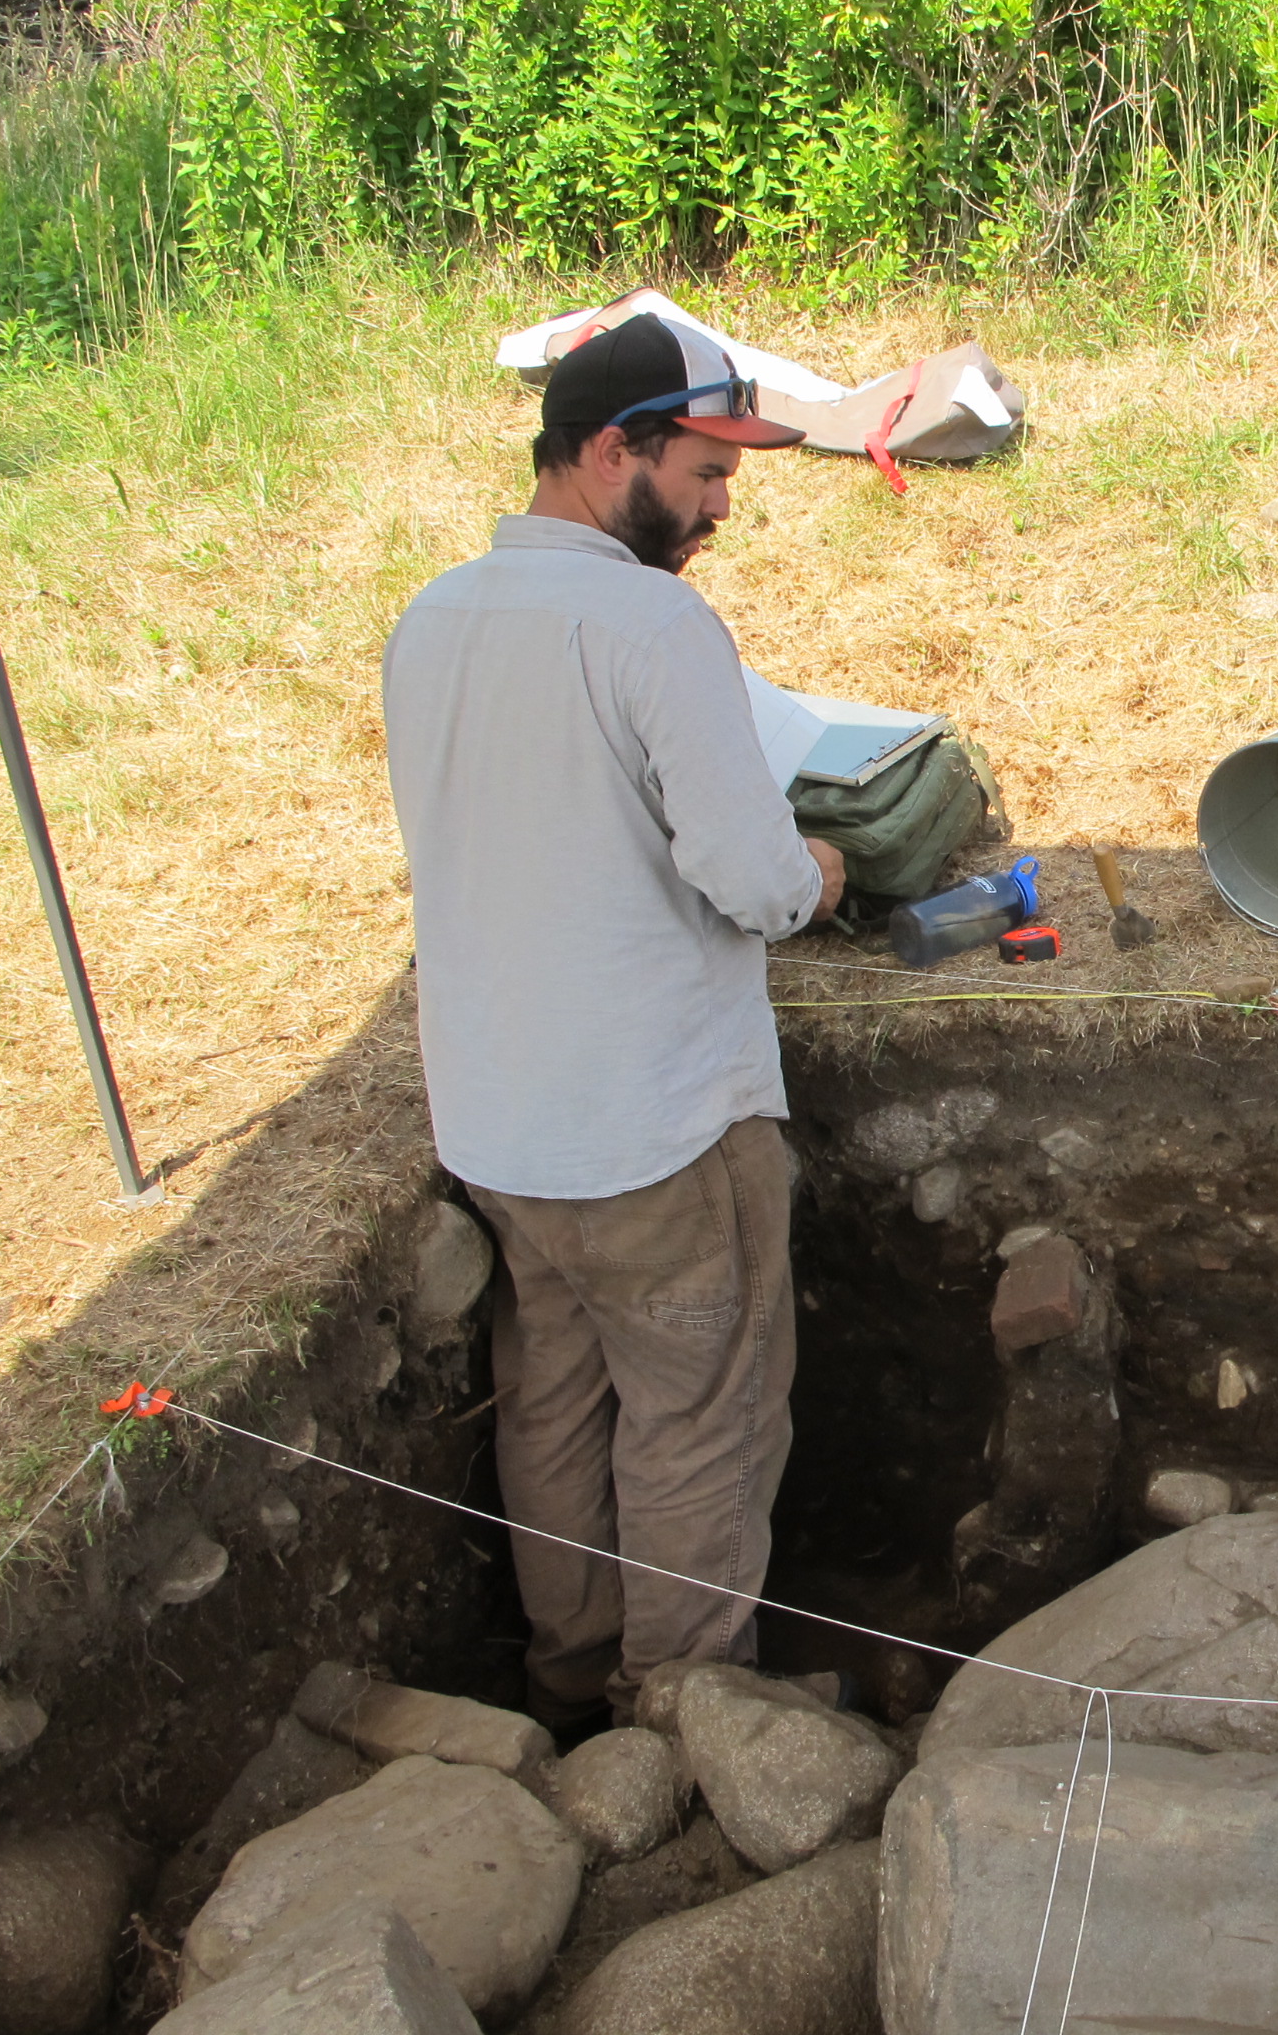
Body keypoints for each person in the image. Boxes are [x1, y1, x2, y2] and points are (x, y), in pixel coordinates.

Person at [381, 311, 843, 1731]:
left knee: (558, 1405)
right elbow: (756, 882)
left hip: (505, 1125)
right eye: (703, 475)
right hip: (657, 1129)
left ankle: (572, 1681)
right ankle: (686, 1716)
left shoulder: (430, 619)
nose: (717, 514)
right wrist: (821, 869)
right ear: (605, 450)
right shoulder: (651, 622)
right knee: (700, 1411)